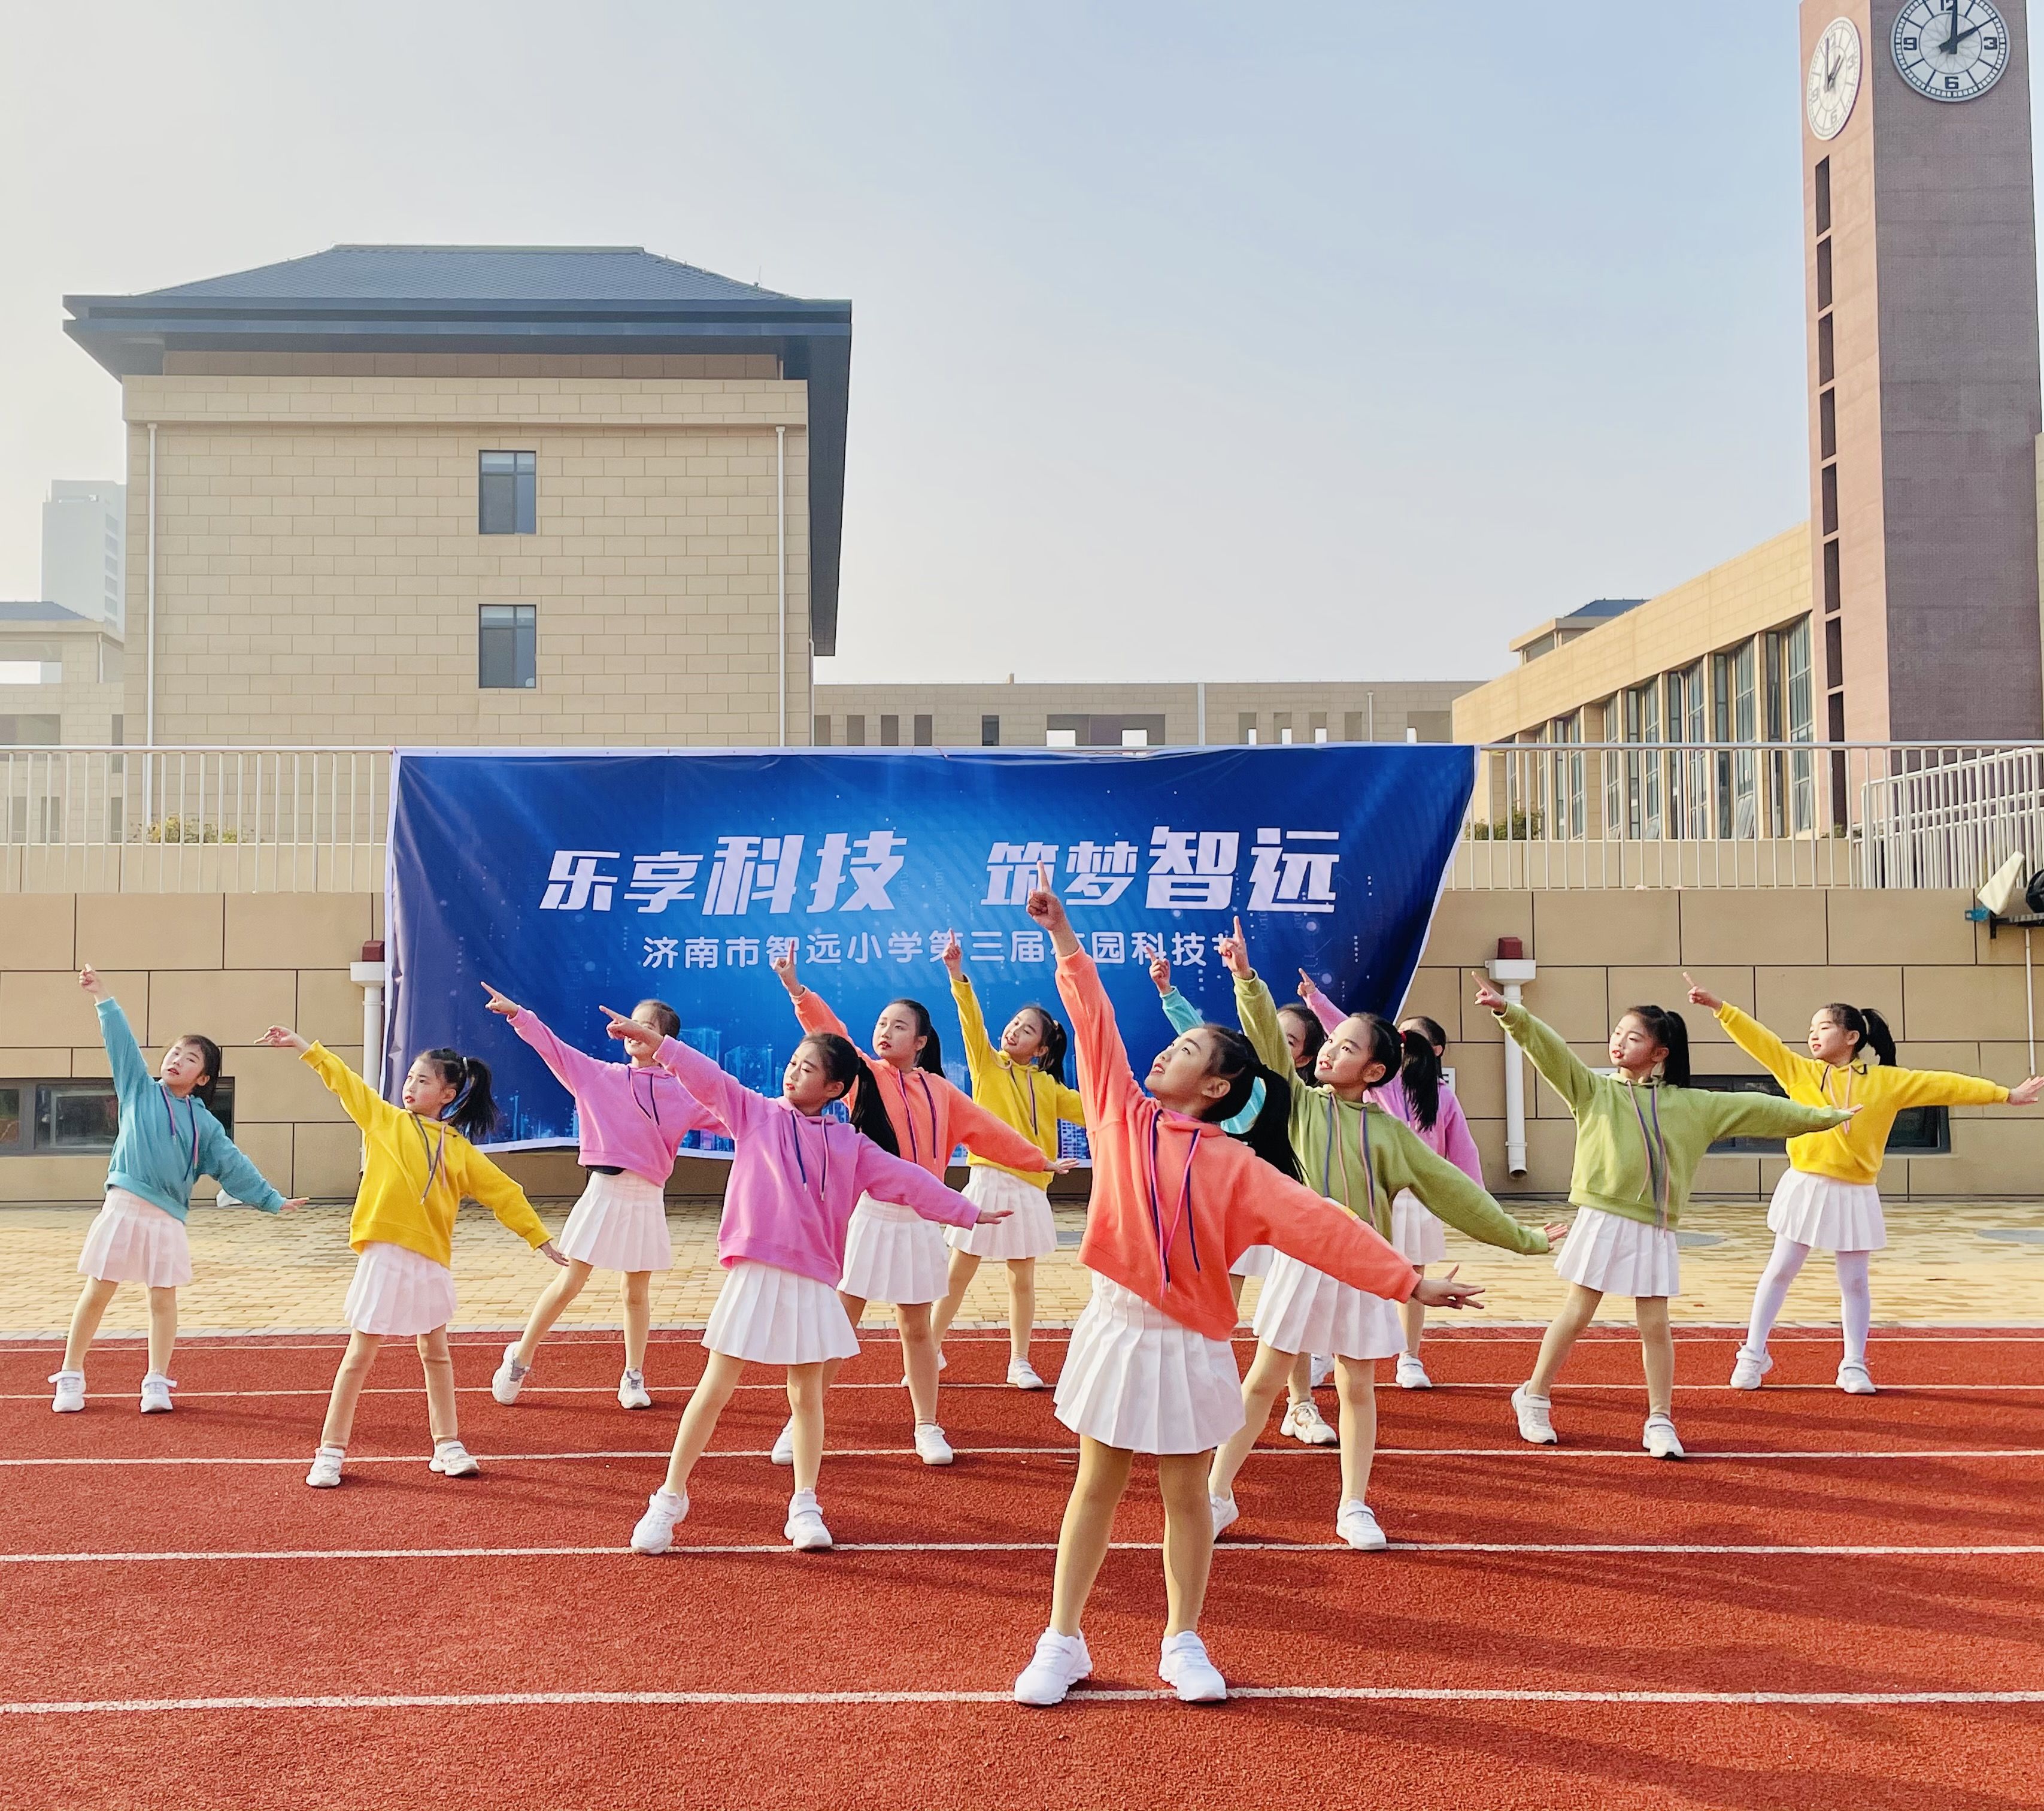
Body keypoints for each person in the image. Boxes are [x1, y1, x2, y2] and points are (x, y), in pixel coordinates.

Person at [1011, 876, 1484, 1709]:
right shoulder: (1119, 1113)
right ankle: (1063, 1639)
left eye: (1187, 1053)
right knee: (1095, 1484)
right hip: (1115, 1328)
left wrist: (1410, 1281)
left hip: (1191, 1342)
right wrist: (1063, 937)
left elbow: (1324, 1229)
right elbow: (1092, 1022)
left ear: (1220, 1087)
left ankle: (1181, 1639)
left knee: (1186, 1492)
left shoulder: (1239, 1167)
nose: (1165, 1056)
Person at [1208, 923, 1561, 1549]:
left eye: (1345, 1049)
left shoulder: (1392, 1134)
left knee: (1357, 1383)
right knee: (1264, 1379)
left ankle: (1354, 1506)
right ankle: (1216, 1495)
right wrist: (1246, 978)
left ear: (1373, 1070)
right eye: (1329, 1044)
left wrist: (1523, 1238)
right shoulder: (1302, 1104)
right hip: (1302, 1256)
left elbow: (1457, 1194)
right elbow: (1264, 1040)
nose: (1328, 1052)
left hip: (1365, 1267)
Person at [602, 1013, 1006, 1556]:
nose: (793, 1074)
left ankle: (805, 1505)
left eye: (807, 1069)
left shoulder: (850, 1145)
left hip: (815, 1280)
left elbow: (910, 1180)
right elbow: (708, 1077)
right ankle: (669, 1500)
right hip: (755, 1273)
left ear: (835, 1089)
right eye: (793, 1064)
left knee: (807, 1395)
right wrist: (659, 1044)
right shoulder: (755, 1114)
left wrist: (966, 1212)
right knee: (715, 1388)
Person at [1471, 976, 1854, 1459]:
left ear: (1660, 1052)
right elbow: (1550, 1053)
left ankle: (1659, 1419)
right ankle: (1534, 1395)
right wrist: (1511, 1012)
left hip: (1655, 1225)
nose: (1618, 1042)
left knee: (1655, 1324)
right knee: (1577, 1312)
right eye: (1617, 1033)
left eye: (1633, 1037)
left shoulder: (1694, 1105)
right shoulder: (1593, 1092)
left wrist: (1826, 1118)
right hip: (1602, 1217)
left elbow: (1760, 1110)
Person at [1685, 974, 2044, 1394]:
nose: (1812, 1036)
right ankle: (1753, 1354)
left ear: (1851, 1036)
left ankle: (1853, 1363)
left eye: (1823, 1028)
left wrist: (2006, 1095)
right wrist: (1719, 1007)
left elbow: (1946, 1084)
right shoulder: (1800, 1072)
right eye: (1810, 1030)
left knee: (1854, 1282)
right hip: (1805, 1185)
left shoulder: (1886, 1082)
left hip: (1855, 1190)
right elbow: (1762, 1042)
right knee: (1780, 1270)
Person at [257, 1023, 568, 1487]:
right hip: (383, 1255)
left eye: (422, 1081)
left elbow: (505, 1192)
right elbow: (343, 1080)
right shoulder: (384, 1121)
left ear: (448, 1093)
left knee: (436, 1353)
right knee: (360, 1355)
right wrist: (304, 1046)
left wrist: (538, 1237)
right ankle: (331, 1451)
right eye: (409, 1079)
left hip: (429, 1261)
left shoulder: (459, 1149)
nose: (410, 1087)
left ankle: (447, 1444)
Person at [770, 955, 1047, 1466]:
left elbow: (991, 1133)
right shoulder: (863, 1075)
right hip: (870, 1218)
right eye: (881, 1024)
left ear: (920, 1041)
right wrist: (796, 989)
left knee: (916, 1329)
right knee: (840, 1321)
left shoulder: (941, 1091)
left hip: (920, 1226)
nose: (886, 1032)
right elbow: (827, 1032)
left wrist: (1039, 1160)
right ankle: (800, 1419)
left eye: (899, 1027)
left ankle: (927, 1425)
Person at [51, 965, 305, 1415]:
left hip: (168, 1216)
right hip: (124, 1205)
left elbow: (233, 1165)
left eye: (190, 1058)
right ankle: (71, 1375)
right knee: (98, 1291)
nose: (176, 1060)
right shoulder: (138, 1090)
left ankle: (156, 1382)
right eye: (173, 1053)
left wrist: (271, 1200)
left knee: (162, 1300)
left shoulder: (205, 1124)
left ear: (203, 1078)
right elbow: (121, 1043)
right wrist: (102, 996)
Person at [482, 986, 726, 1410]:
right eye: (631, 1022)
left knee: (635, 1292)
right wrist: (519, 1014)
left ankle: (633, 1375)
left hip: (647, 1197)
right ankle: (519, 1358)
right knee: (570, 1284)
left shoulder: (683, 1093)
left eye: (646, 1027)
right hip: (603, 1193)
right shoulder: (601, 1076)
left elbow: (734, 1114)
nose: (633, 1031)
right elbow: (553, 1048)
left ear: (665, 1042)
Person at [1151, 953, 1332, 1446]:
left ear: (1300, 1058)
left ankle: (1300, 1404)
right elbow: (1197, 1038)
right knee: (1218, 1307)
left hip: (1269, 1206)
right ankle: (1204, 1393)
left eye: (1288, 1040)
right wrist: (1169, 992)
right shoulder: (1228, 1084)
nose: (1272, 1040)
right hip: (1226, 1209)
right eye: (1271, 1031)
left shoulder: (1294, 1100)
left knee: (1287, 1314)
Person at [1299, 984, 1482, 1389]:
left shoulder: (1441, 1096)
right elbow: (1346, 1034)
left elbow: (1462, 1155)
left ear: (1431, 1051)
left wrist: (1479, 1208)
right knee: (1342, 1275)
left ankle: (1409, 1357)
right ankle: (1320, 1353)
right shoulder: (1382, 1087)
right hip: (1376, 1196)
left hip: (1415, 1202)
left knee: (1413, 1275)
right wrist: (1316, 1001)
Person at [928, 934, 1084, 1389]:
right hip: (988, 1180)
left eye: (1027, 1029)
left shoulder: (1051, 1089)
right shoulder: (987, 1065)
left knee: (1022, 1280)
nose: (1014, 1030)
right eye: (1015, 1023)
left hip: (1031, 1190)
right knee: (958, 1272)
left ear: (1041, 1049)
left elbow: (1094, 1110)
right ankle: (929, 1348)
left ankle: (1019, 1361)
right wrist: (958, 975)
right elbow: (970, 1022)